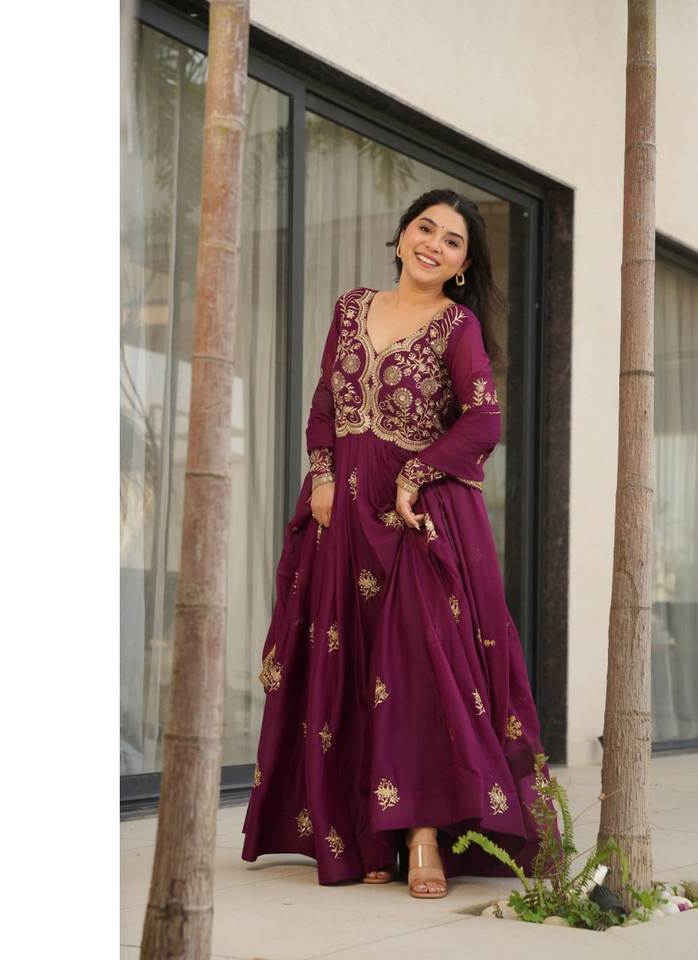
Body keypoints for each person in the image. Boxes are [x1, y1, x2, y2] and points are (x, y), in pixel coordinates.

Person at [241, 188, 555, 898]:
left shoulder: (456, 325)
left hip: (418, 515)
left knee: (416, 668)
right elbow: (325, 403)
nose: (433, 244)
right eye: (425, 228)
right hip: (342, 512)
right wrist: (322, 474)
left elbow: (483, 421)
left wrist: (415, 474)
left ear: (462, 265)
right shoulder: (352, 308)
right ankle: (363, 832)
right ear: (402, 235)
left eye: (452, 240)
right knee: (347, 662)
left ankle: (421, 836)